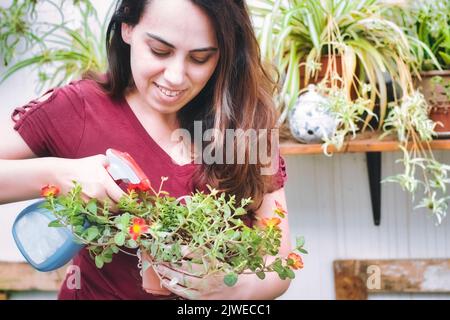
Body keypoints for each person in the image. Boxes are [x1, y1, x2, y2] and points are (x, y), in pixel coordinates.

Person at [0, 0, 290, 300]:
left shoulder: (243, 126)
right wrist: (60, 175)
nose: (176, 76)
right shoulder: (80, 109)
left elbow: (280, 262)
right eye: (160, 51)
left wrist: (229, 288)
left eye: (200, 58)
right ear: (127, 28)